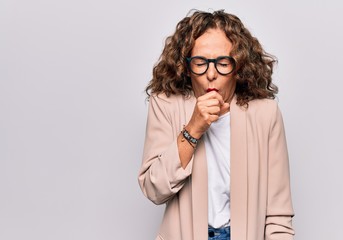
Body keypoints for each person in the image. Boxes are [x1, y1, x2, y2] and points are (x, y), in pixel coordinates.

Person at [138, 9, 295, 240]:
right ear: (186, 66)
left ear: (238, 67)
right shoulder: (166, 105)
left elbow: (278, 215)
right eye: (200, 63)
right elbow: (154, 189)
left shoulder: (265, 113)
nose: (211, 74)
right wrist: (193, 128)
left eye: (223, 62)